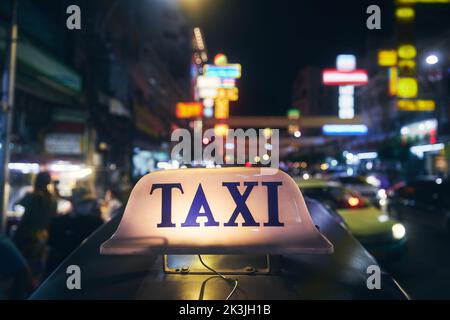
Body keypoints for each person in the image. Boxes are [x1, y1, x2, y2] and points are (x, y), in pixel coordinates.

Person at [44, 183, 104, 277]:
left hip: (85, 273)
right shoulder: (58, 223)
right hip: (62, 272)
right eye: (83, 202)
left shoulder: (96, 223)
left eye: (89, 201)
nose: (87, 205)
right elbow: (50, 251)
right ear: (73, 202)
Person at [13, 171, 57, 286]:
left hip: (25, 234)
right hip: (43, 236)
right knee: (36, 268)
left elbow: (17, 204)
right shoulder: (52, 199)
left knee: (21, 266)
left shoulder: (32, 196)